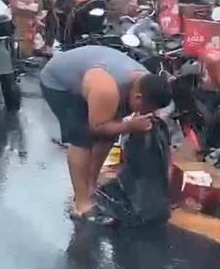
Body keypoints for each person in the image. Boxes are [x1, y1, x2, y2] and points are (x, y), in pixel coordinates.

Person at [40, 45, 173, 225]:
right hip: (59, 83)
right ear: (138, 97)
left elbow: (109, 132)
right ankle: (81, 205)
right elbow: (97, 128)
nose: (145, 113)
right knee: (82, 138)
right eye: (145, 109)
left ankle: (91, 185)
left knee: (110, 132)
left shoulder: (146, 80)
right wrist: (129, 126)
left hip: (92, 78)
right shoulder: (106, 90)